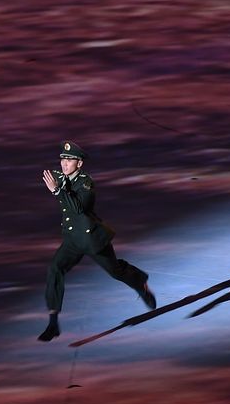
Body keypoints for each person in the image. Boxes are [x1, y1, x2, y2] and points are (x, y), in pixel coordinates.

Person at [38, 140, 156, 341]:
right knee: (54, 269)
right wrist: (57, 186)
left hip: (91, 238)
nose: (64, 163)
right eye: (62, 159)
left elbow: (78, 208)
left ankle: (140, 283)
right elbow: (56, 182)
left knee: (115, 271)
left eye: (69, 160)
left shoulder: (86, 183)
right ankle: (53, 322)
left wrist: (57, 191)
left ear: (79, 164)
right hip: (72, 239)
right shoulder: (60, 177)